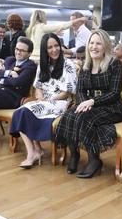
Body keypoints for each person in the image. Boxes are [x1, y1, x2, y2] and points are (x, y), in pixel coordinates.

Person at [54, 30, 122, 178]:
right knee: (69, 115)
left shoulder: (114, 64)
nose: (94, 47)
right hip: (90, 105)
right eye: (91, 43)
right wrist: (83, 104)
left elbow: (114, 93)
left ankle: (94, 160)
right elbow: (80, 90)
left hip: (112, 107)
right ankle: (74, 155)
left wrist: (92, 102)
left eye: (98, 43)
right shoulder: (86, 65)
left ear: (105, 46)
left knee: (83, 118)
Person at [11, 33, 77, 166]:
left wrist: (49, 99)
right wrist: (40, 97)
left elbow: (67, 92)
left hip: (60, 102)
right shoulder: (43, 64)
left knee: (23, 112)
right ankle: (34, 151)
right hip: (44, 102)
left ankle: (34, 153)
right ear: (44, 50)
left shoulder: (68, 64)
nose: (54, 50)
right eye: (50, 47)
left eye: (56, 46)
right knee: (19, 112)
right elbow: (38, 87)